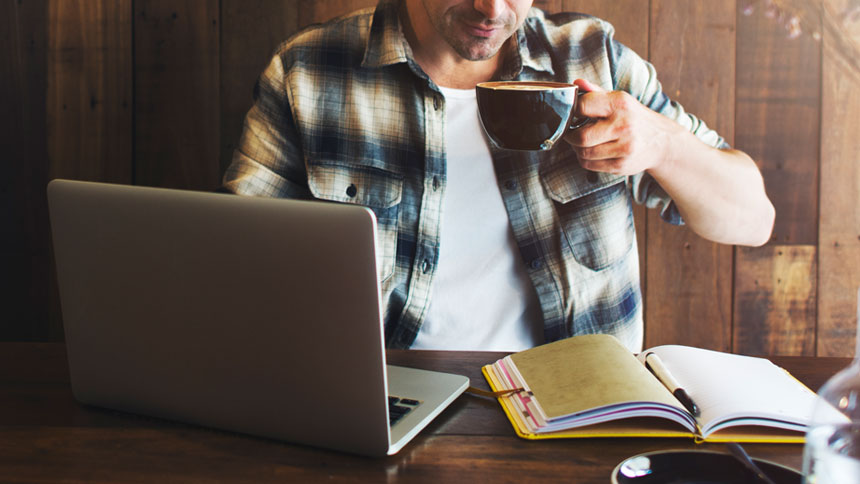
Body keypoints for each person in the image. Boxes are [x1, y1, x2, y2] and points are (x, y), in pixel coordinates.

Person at [221, 0, 775, 352]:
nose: (492, 9)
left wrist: (663, 144)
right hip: (387, 400)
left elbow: (752, 219)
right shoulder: (309, 71)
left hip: (579, 408)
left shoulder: (591, 57)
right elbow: (235, 268)